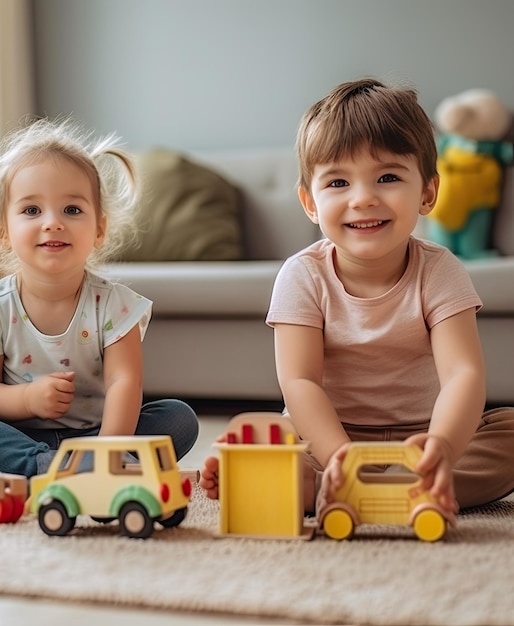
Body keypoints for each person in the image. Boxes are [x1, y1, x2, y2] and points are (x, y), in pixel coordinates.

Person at [200, 78, 514, 515]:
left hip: (421, 435)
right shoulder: (302, 275)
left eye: (387, 177)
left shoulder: (440, 271)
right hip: (330, 435)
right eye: (338, 183)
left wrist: (442, 445)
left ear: (427, 192)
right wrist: (339, 458)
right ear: (310, 203)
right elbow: (300, 382)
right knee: (276, 435)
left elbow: (463, 374)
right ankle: (354, 486)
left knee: (508, 431)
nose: (363, 199)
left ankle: (400, 482)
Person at [0, 117, 199, 489]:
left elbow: (124, 382)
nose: (53, 223)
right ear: (3, 231)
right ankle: (40, 466)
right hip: (17, 434)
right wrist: (28, 399)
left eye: (72, 210)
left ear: (99, 228)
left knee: (178, 419)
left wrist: (107, 453)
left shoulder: (114, 305)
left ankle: (3, 471)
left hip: (98, 435)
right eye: (32, 211)